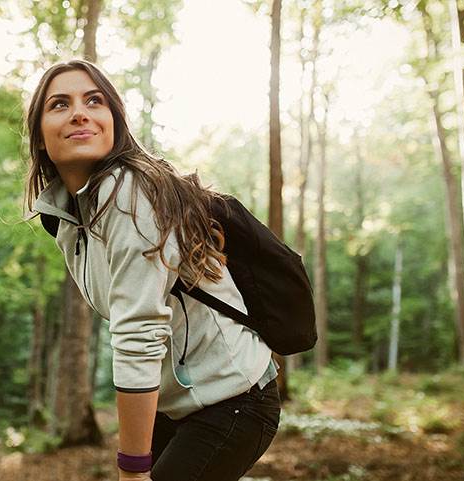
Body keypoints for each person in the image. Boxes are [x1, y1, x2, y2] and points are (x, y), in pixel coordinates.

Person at [24, 59, 280, 481]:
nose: (79, 112)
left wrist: (132, 469)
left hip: (234, 400)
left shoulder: (125, 194)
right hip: (179, 402)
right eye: (59, 104)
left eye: (94, 100)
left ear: (114, 122)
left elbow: (138, 333)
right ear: (39, 135)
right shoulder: (67, 215)